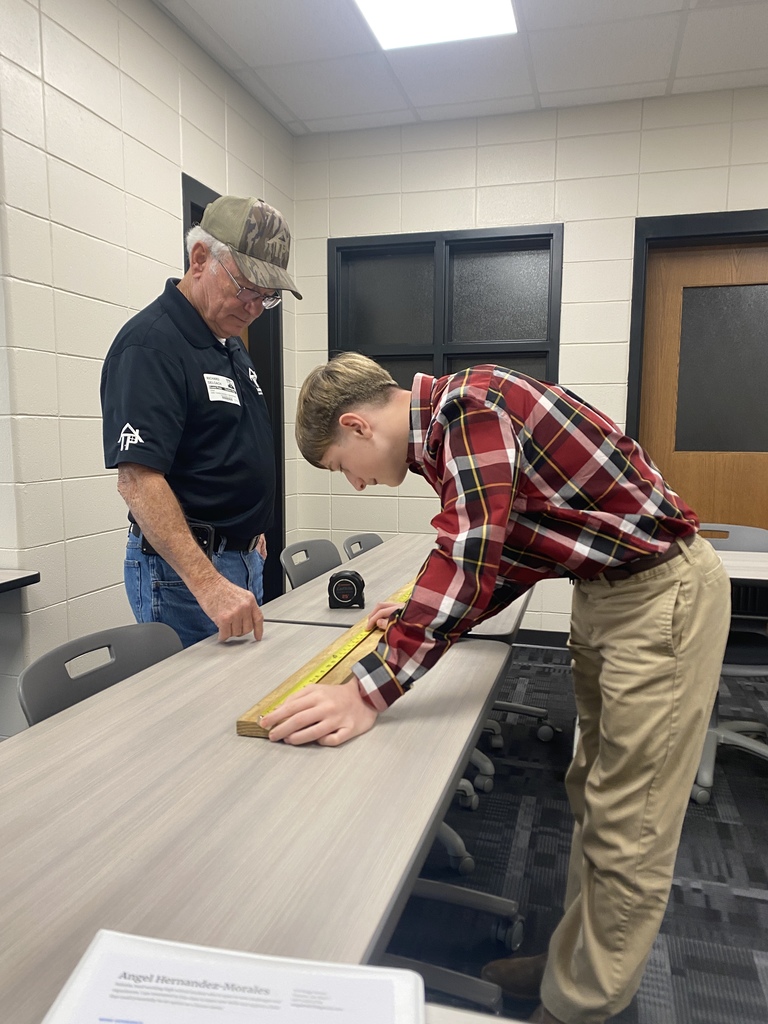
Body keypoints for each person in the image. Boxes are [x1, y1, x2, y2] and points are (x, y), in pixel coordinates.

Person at [261, 352, 731, 1024]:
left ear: (357, 426)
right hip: (613, 598)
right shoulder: (455, 424)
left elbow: (467, 555)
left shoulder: (466, 412)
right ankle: (575, 960)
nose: (357, 485)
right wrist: (416, 615)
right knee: (594, 793)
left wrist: (368, 689)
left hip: (659, 599)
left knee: (632, 820)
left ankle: (582, 1006)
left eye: (341, 467)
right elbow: (501, 555)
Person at [101, 196, 302, 648]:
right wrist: (209, 583)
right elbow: (137, 481)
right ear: (199, 259)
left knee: (239, 701)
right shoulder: (151, 346)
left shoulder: (227, 343)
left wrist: (250, 531)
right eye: (247, 287)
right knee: (198, 713)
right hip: (185, 576)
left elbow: (225, 447)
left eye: (267, 297)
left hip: (241, 558)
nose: (254, 307)